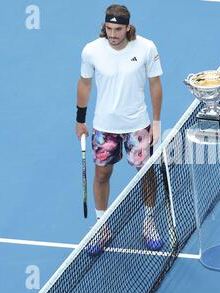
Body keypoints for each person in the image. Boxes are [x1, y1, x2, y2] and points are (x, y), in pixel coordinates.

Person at [75, 4, 164, 252]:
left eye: (117, 29)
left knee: (145, 174)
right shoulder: (91, 51)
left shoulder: (146, 48)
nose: (112, 34)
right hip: (105, 127)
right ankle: (101, 226)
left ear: (128, 27)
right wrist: (80, 119)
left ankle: (149, 222)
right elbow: (84, 84)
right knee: (102, 174)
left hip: (137, 125)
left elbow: (155, 85)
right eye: (109, 28)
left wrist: (156, 123)